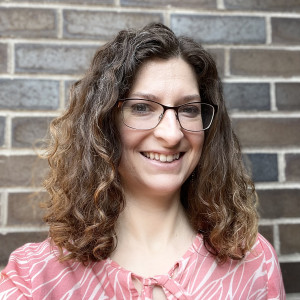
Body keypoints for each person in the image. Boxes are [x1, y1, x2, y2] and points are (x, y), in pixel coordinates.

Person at [0, 23, 285, 299]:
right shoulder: (34, 279)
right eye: (141, 107)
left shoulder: (254, 263)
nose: (172, 134)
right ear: (104, 124)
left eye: (188, 109)